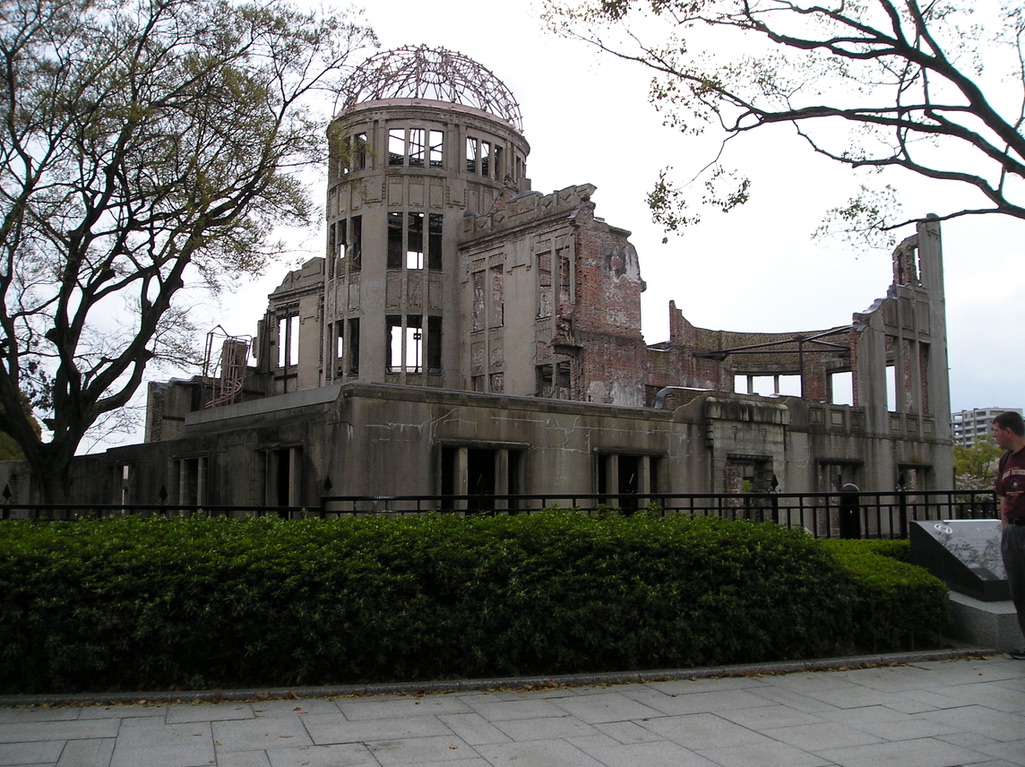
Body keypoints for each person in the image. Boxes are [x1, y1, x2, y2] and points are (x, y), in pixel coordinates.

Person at [993, 411, 1025, 659]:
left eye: (996, 430)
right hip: (1013, 532)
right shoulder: (1005, 461)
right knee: (1019, 590)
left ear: (1008, 431)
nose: (994, 436)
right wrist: (1006, 528)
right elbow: (1004, 497)